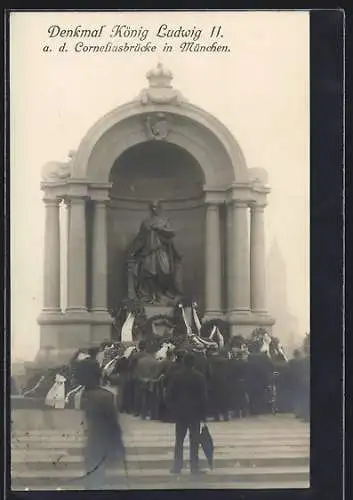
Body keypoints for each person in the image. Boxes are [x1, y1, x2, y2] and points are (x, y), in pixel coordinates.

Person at [77, 358, 125, 490]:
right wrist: (119, 444)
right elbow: (113, 424)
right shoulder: (105, 396)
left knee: (92, 477)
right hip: (102, 443)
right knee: (97, 478)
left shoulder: (85, 395)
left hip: (92, 442)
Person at [128, 200, 182, 303]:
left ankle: (163, 294)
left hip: (161, 251)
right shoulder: (145, 222)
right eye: (152, 207)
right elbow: (141, 238)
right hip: (149, 251)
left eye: (156, 207)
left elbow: (171, 233)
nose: (154, 209)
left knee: (166, 271)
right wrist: (133, 251)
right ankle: (152, 295)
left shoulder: (164, 221)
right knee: (148, 272)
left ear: (159, 208)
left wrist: (160, 229)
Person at [165, 352, 208, 475]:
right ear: (193, 364)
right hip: (195, 413)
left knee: (179, 440)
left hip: (180, 412)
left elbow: (170, 394)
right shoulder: (199, 377)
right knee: (194, 440)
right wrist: (203, 414)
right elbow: (203, 397)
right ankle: (194, 466)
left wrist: (172, 409)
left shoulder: (177, 376)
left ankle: (177, 466)